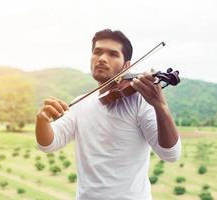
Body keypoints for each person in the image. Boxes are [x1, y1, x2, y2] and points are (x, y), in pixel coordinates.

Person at [35, 29, 181, 200]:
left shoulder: (140, 101)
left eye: (113, 54)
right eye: (97, 52)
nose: (102, 58)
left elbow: (171, 154)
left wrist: (160, 106)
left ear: (127, 67)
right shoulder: (81, 103)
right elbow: (48, 144)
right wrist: (42, 120)